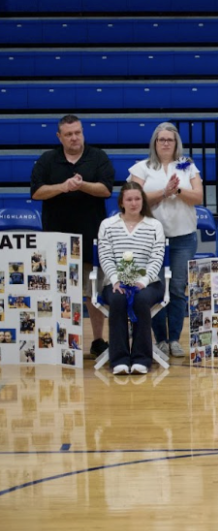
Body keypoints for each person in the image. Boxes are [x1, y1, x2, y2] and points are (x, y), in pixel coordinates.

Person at [30, 114, 116, 358]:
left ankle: (98, 340)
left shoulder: (97, 156)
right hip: (56, 239)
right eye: (68, 134)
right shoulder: (48, 159)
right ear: (59, 136)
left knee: (93, 292)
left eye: (77, 132)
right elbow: (36, 192)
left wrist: (81, 185)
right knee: (59, 292)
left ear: (83, 132)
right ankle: (61, 339)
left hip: (90, 237)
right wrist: (63, 186)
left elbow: (106, 189)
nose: (74, 137)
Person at [128, 122, 203, 359]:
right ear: (154, 143)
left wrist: (177, 190)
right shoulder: (141, 168)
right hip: (152, 238)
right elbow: (133, 199)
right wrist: (163, 192)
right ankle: (160, 339)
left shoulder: (187, 165)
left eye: (170, 139)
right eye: (161, 139)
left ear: (176, 142)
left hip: (184, 236)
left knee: (179, 288)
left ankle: (175, 340)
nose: (166, 143)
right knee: (157, 289)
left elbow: (199, 197)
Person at [97, 182, 165, 375]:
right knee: (118, 299)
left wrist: (142, 282)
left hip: (148, 283)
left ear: (143, 201)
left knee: (141, 300)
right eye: (129, 199)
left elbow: (156, 257)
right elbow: (106, 256)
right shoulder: (107, 225)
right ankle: (119, 360)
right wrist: (116, 280)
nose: (134, 203)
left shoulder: (154, 226)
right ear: (121, 202)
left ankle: (142, 359)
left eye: (137, 199)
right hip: (115, 281)